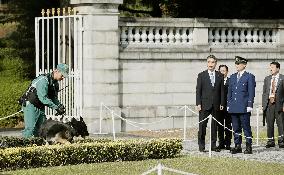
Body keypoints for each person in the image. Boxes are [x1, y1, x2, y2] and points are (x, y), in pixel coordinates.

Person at [21, 63, 69, 138]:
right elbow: (43, 98)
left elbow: (53, 97)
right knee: (30, 129)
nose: (63, 77)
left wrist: (59, 105)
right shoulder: (43, 80)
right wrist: (56, 108)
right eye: (62, 75)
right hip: (30, 104)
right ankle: (24, 148)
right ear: (56, 71)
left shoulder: (55, 83)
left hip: (39, 106)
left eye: (64, 76)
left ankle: (38, 147)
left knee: (42, 128)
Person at [196, 55, 225, 152]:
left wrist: (222, 103)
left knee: (214, 126)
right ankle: (201, 146)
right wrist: (198, 103)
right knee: (202, 126)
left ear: (216, 63)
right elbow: (198, 91)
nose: (210, 64)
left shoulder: (220, 75)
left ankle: (213, 145)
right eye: (209, 62)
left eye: (212, 62)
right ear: (206, 63)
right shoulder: (201, 75)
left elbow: (222, 91)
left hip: (216, 105)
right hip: (204, 105)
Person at [227, 56, 256, 154]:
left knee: (246, 127)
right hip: (234, 106)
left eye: (239, 64)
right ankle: (237, 145)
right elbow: (230, 92)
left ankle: (248, 146)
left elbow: (251, 92)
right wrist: (228, 104)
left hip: (244, 106)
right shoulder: (233, 76)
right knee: (236, 127)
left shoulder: (249, 76)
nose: (237, 65)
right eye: (236, 63)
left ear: (244, 65)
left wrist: (250, 104)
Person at [262, 61, 284, 148]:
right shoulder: (267, 79)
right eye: (270, 67)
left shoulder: (282, 78)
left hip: (279, 104)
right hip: (269, 104)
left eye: (273, 67)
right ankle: (270, 141)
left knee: (281, 123)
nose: (271, 69)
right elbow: (264, 92)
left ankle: (281, 141)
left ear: (278, 68)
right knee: (269, 123)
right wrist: (264, 104)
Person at [217, 65, 232, 150]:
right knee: (220, 126)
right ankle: (221, 143)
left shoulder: (230, 81)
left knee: (228, 126)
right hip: (219, 107)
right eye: (221, 71)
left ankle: (228, 144)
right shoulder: (216, 81)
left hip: (228, 107)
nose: (222, 72)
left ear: (227, 72)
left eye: (224, 71)